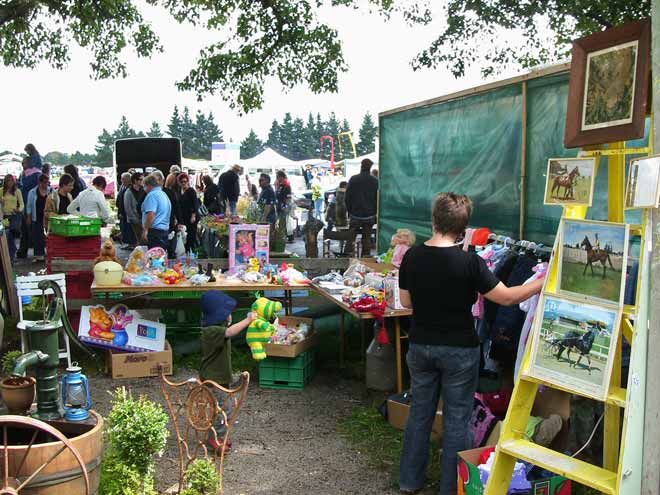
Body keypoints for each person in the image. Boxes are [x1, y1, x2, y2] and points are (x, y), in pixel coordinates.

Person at [397, 193, 544, 495]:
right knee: (458, 419)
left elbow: (405, 301)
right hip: (460, 350)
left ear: (434, 220)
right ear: (463, 227)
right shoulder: (470, 262)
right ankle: (452, 488)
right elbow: (507, 297)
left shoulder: (412, 256)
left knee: (420, 414)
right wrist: (543, 281)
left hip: (421, 345)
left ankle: (409, 482)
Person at [199, 290, 256, 452]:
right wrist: (248, 320)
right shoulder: (211, 331)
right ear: (219, 314)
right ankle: (215, 439)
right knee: (224, 409)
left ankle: (219, 436)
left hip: (220, 377)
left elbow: (228, 329)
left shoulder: (216, 328)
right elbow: (230, 332)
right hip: (213, 379)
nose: (230, 316)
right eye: (228, 313)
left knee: (224, 407)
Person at [345, 158, 379, 256]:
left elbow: (347, 197)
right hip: (369, 215)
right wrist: (374, 211)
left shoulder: (353, 179)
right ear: (370, 167)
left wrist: (350, 211)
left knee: (350, 238)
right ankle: (365, 259)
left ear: (361, 166)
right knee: (366, 239)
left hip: (355, 214)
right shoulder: (375, 181)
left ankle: (347, 257)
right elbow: (378, 198)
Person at [16, 157, 40, 258]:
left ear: (29, 163)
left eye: (24, 163)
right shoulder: (36, 173)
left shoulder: (30, 174)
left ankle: (24, 250)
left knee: (26, 228)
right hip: (28, 203)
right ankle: (28, 249)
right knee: (27, 228)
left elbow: (24, 186)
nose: (22, 164)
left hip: (28, 203)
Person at [141, 173, 172, 250]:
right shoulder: (163, 194)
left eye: (144, 186)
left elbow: (151, 214)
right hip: (164, 230)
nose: (144, 189)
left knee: (154, 257)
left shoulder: (152, 195)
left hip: (155, 231)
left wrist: (145, 230)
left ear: (148, 185)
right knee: (161, 256)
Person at [25, 174, 50, 261]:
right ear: (40, 182)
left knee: (48, 236)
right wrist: (28, 217)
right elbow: (28, 206)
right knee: (37, 236)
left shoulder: (51, 191)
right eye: (44, 182)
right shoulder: (32, 192)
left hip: (48, 217)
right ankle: (39, 254)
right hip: (37, 217)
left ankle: (49, 253)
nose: (46, 184)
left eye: (47, 182)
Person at [0, 174, 24, 261]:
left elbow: (21, 204)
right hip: (4, 216)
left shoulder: (17, 191)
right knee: (6, 235)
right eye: (8, 181)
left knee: (13, 234)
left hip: (14, 216)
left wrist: (19, 210)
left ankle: (12, 254)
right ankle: (7, 254)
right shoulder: (1, 191)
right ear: (5, 182)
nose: (9, 183)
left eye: (11, 181)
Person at [178, 173, 200, 252]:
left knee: (191, 235)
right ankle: (187, 250)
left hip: (191, 216)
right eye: (182, 182)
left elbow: (195, 204)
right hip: (184, 217)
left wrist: (193, 215)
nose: (183, 183)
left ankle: (192, 251)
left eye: (185, 181)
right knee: (186, 235)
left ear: (188, 181)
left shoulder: (191, 191)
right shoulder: (180, 192)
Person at [124, 172, 146, 247]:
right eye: (141, 179)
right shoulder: (128, 192)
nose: (143, 181)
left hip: (143, 219)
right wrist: (134, 219)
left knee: (143, 239)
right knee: (139, 239)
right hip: (134, 220)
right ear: (135, 181)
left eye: (143, 179)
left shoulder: (143, 190)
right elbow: (128, 208)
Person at [116, 172, 134, 247]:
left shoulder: (130, 189)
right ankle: (129, 243)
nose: (121, 180)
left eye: (123, 179)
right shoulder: (123, 187)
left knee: (129, 229)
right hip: (122, 212)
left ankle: (132, 243)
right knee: (125, 228)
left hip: (127, 213)